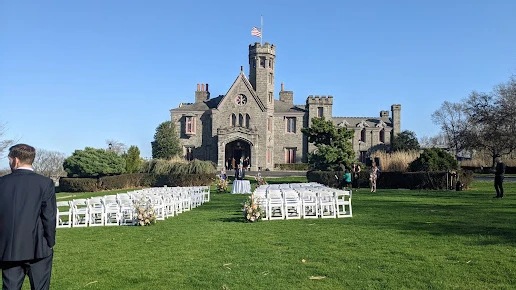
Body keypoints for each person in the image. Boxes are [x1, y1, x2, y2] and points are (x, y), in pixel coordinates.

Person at [0, 144, 56, 290]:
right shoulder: (45, 183)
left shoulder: (2, 183)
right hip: (39, 248)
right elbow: (49, 217)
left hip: (9, 248)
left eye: (9, 159)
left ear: (16, 160)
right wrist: (50, 242)